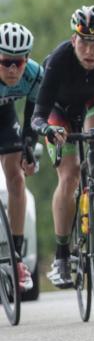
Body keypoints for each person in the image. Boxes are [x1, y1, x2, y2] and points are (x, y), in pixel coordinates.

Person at [31, 7, 94, 288]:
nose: (90, 50)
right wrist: (47, 130)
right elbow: (38, 114)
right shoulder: (59, 59)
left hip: (93, 101)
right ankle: (62, 256)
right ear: (73, 39)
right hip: (58, 111)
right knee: (70, 174)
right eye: (84, 41)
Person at [0, 22, 42, 292]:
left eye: (19, 62)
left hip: (5, 118)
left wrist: (29, 147)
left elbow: (34, 116)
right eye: (6, 63)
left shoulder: (36, 74)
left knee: (16, 177)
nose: (13, 69)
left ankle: (15, 257)